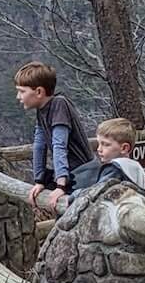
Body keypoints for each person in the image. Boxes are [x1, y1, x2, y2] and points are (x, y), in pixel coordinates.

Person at [16, 61, 91, 212]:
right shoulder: (41, 110)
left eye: (22, 91)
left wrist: (60, 185)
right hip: (70, 175)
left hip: (82, 175)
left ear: (39, 92)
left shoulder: (59, 105)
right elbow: (39, 145)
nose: (18, 96)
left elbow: (59, 145)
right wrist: (40, 180)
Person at [69, 117, 145, 196]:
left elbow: (96, 192)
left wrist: (73, 195)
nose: (99, 149)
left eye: (106, 145)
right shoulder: (136, 167)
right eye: (99, 143)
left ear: (124, 148)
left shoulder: (115, 168)